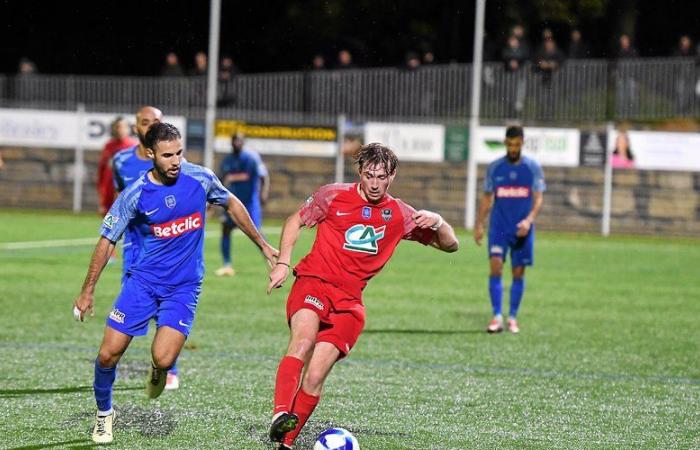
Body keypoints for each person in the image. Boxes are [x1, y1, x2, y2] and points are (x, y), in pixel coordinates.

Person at [72, 122, 278, 445]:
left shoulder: (200, 179)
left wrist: (264, 245)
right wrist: (87, 290)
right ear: (151, 154)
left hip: (183, 288)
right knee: (107, 356)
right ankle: (104, 415)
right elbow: (107, 239)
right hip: (142, 284)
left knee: (165, 359)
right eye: (167, 155)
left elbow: (233, 204)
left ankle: (158, 370)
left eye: (179, 152)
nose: (176, 161)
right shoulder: (137, 192)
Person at [266, 143, 459, 449]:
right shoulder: (332, 195)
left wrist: (438, 221)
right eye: (368, 175)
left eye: (381, 176)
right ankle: (280, 414)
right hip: (314, 283)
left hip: (349, 304)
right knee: (302, 341)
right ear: (359, 172)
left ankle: (285, 443)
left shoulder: (399, 215)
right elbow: (295, 221)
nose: (373, 183)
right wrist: (282, 264)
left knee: (315, 376)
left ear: (392, 176)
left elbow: (450, 245)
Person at [112, 106, 186, 390]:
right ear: (136, 128)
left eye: (156, 122)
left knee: (167, 310)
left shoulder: (174, 162)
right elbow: (121, 200)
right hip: (135, 251)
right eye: (146, 123)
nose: (151, 127)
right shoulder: (121, 161)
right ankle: (111, 362)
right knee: (129, 310)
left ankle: (168, 368)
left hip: (168, 250)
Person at [474, 126, 545, 334]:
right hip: (499, 227)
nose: (513, 148)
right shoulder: (495, 168)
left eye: (517, 144)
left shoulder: (532, 168)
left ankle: (512, 317)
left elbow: (538, 197)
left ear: (522, 143)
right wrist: (479, 223)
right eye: (510, 144)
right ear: (505, 143)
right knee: (495, 267)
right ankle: (497, 316)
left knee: (518, 273)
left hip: (522, 228)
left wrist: (529, 220)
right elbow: (487, 198)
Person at [215, 133, 269, 277]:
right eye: (234, 141)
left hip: (250, 203)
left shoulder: (251, 158)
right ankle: (227, 265)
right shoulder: (227, 160)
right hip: (232, 203)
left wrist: (263, 193)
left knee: (257, 233)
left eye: (239, 141)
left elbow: (261, 176)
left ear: (243, 142)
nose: (237, 143)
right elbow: (220, 178)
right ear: (231, 143)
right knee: (225, 229)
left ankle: (272, 261)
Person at [96, 117, 137, 216]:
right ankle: (109, 230)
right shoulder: (109, 146)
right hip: (109, 187)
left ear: (128, 129)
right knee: (108, 219)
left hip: (126, 188)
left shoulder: (134, 146)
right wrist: (101, 190)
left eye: (123, 127)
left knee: (126, 218)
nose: (121, 130)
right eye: (118, 127)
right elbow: (102, 169)